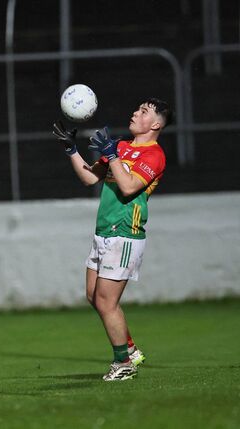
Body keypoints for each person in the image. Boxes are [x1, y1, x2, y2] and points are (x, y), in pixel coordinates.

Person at [53, 98, 172, 381]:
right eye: (137, 108)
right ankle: (129, 349)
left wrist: (113, 155)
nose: (135, 111)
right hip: (103, 231)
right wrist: (72, 150)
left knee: (106, 302)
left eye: (144, 111)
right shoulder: (120, 146)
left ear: (155, 124)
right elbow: (90, 179)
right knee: (94, 296)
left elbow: (129, 187)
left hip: (125, 234)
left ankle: (124, 363)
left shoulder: (154, 155)